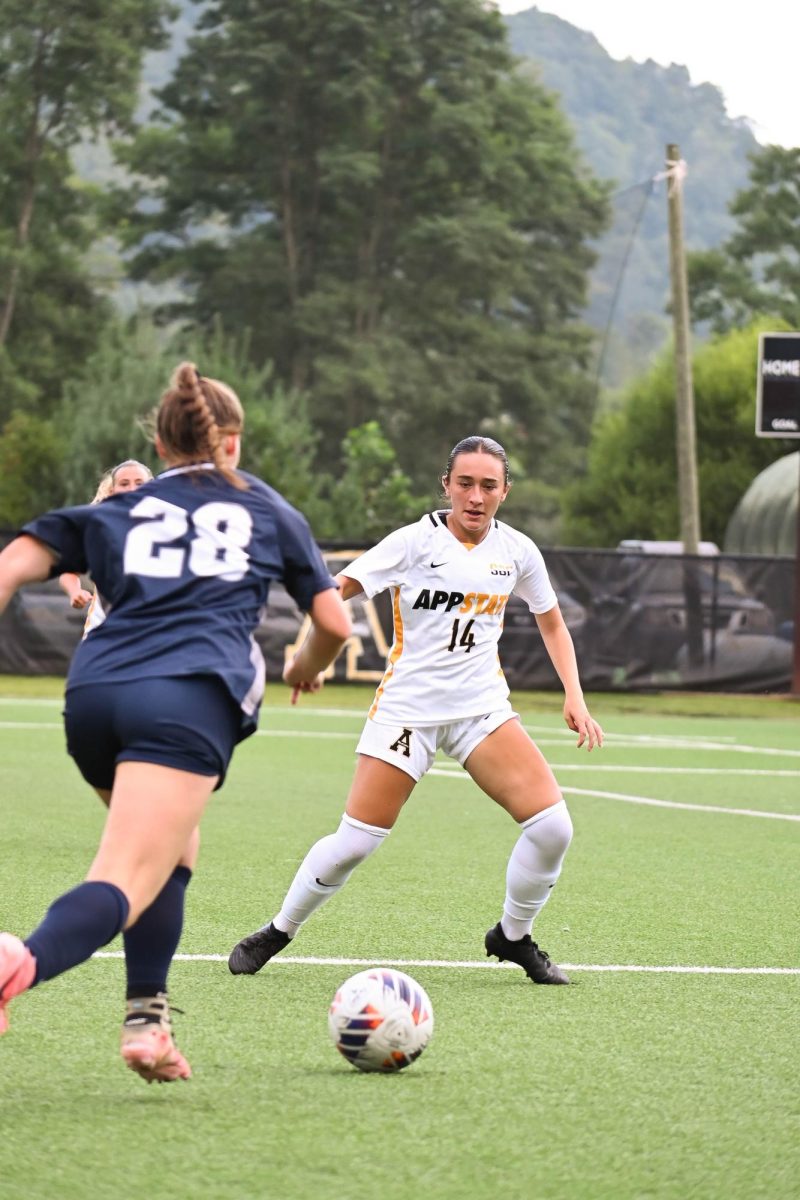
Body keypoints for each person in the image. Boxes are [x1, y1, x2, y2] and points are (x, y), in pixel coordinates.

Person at [0, 362, 351, 1082]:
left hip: (94, 695)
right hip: (184, 699)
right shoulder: (265, 509)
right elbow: (334, 622)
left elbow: (11, 565)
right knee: (126, 874)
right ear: (234, 443)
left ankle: (146, 1024)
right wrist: (302, 664)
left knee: (172, 853)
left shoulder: (118, 507)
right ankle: (18, 966)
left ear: (159, 449)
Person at [228, 435, 602, 986]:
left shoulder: (518, 551)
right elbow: (335, 592)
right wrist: (312, 656)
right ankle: (279, 929)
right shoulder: (411, 542)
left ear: (505, 491)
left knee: (553, 830)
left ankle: (513, 937)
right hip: (407, 713)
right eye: (465, 483)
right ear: (446, 485)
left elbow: (551, 620)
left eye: (488, 486)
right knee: (354, 843)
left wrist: (574, 692)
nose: (476, 496)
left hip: (481, 711)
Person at [59, 460, 153, 627]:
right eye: (124, 484)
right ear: (112, 490)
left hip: (151, 629)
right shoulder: (97, 527)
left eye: (140, 483)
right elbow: (68, 572)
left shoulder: (169, 527)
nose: (132, 488)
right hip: (104, 627)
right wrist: (75, 592)